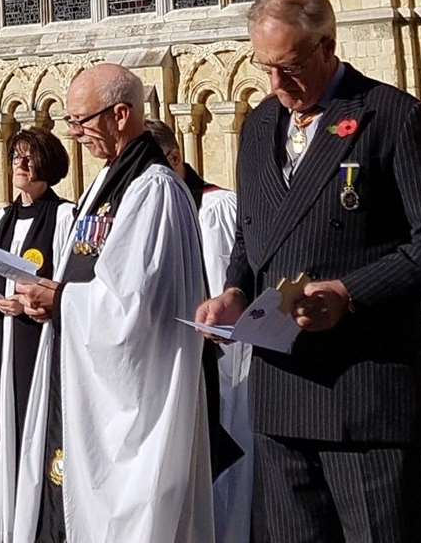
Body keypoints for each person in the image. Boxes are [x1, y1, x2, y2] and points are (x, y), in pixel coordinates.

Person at [194, 0, 421, 542]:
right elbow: (253, 233)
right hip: (281, 392)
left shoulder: (391, 117)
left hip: (364, 389)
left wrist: (350, 292)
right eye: (265, 67)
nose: (277, 85)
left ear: (327, 46)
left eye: (289, 68)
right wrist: (235, 292)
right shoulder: (262, 124)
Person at [8, 65, 213, 542]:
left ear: (121, 115)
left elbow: (135, 308)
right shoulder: (107, 182)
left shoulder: (153, 189)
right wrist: (53, 299)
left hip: (132, 402)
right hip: (82, 378)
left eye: (82, 121)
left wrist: (62, 300)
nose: (74, 134)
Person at [0, 126, 74, 543]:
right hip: (2, 348)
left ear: (47, 164)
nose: (20, 164)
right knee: (0, 436)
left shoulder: (63, 218)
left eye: (29, 157)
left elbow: (67, 286)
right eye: (15, 157)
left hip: (39, 349)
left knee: (34, 438)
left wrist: (31, 305)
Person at [148, 119, 250, 543]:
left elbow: (238, 278)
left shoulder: (219, 208)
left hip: (228, 365)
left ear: (175, 158)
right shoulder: (150, 215)